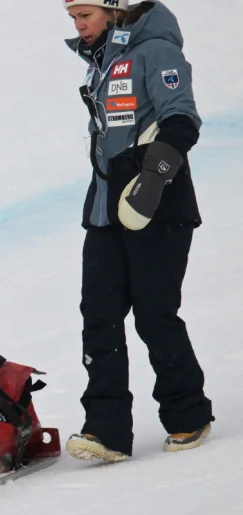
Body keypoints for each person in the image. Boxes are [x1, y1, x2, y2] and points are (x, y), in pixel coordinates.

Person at [63, 1, 213, 463]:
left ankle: (188, 413)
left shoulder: (157, 50)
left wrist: (154, 177)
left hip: (157, 203)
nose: (78, 23)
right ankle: (106, 431)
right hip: (108, 205)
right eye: (72, 16)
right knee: (99, 315)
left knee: (154, 314)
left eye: (85, 13)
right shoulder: (105, 61)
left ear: (115, 9)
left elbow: (182, 120)